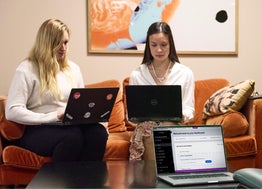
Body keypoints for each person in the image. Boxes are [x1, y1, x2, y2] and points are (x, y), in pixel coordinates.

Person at [5, 19, 108, 162]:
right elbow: (12, 111)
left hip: (68, 125)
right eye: (57, 42)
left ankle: (88, 182)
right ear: (45, 43)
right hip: (38, 129)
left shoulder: (73, 69)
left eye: (66, 42)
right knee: (72, 137)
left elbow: (81, 104)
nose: (63, 47)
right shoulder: (26, 69)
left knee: (98, 133)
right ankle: (63, 183)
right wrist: (52, 116)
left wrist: (93, 117)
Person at [128, 21, 195, 160]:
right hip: (146, 129)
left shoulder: (185, 73)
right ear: (148, 46)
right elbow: (132, 115)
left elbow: (189, 108)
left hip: (174, 126)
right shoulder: (137, 74)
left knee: (164, 131)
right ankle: (151, 179)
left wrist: (182, 115)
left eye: (163, 45)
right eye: (154, 45)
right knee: (151, 131)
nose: (159, 50)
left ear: (171, 44)